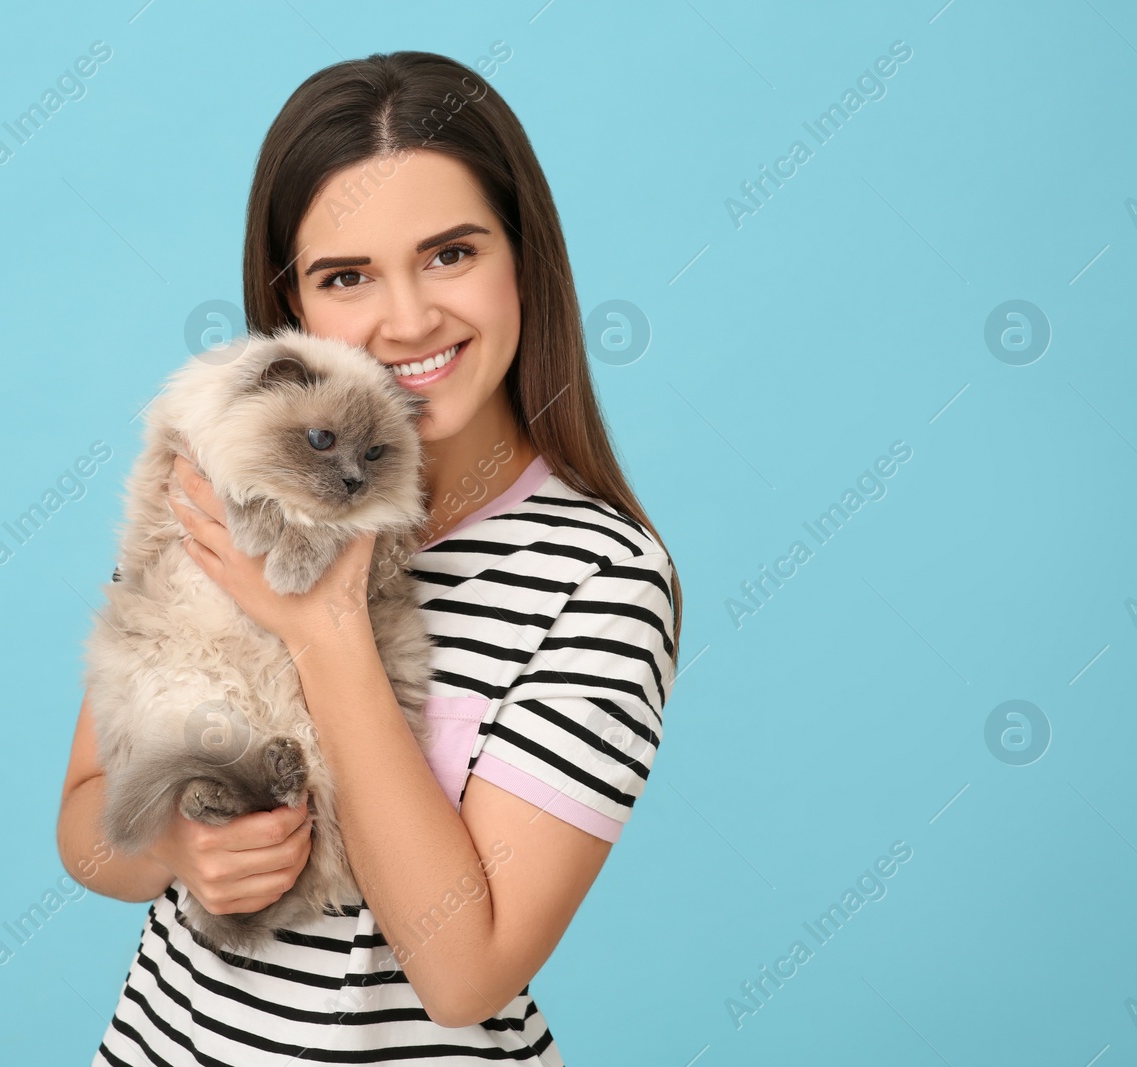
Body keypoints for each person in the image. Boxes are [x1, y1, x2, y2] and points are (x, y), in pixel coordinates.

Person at [56, 49, 683, 1066]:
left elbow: (464, 970)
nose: (406, 319)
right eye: (346, 276)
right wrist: (178, 844)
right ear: (292, 305)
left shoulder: (602, 580)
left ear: (522, 257)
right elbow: (84, 824)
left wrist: (326, 628)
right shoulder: (220, 486)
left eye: (450, 253)